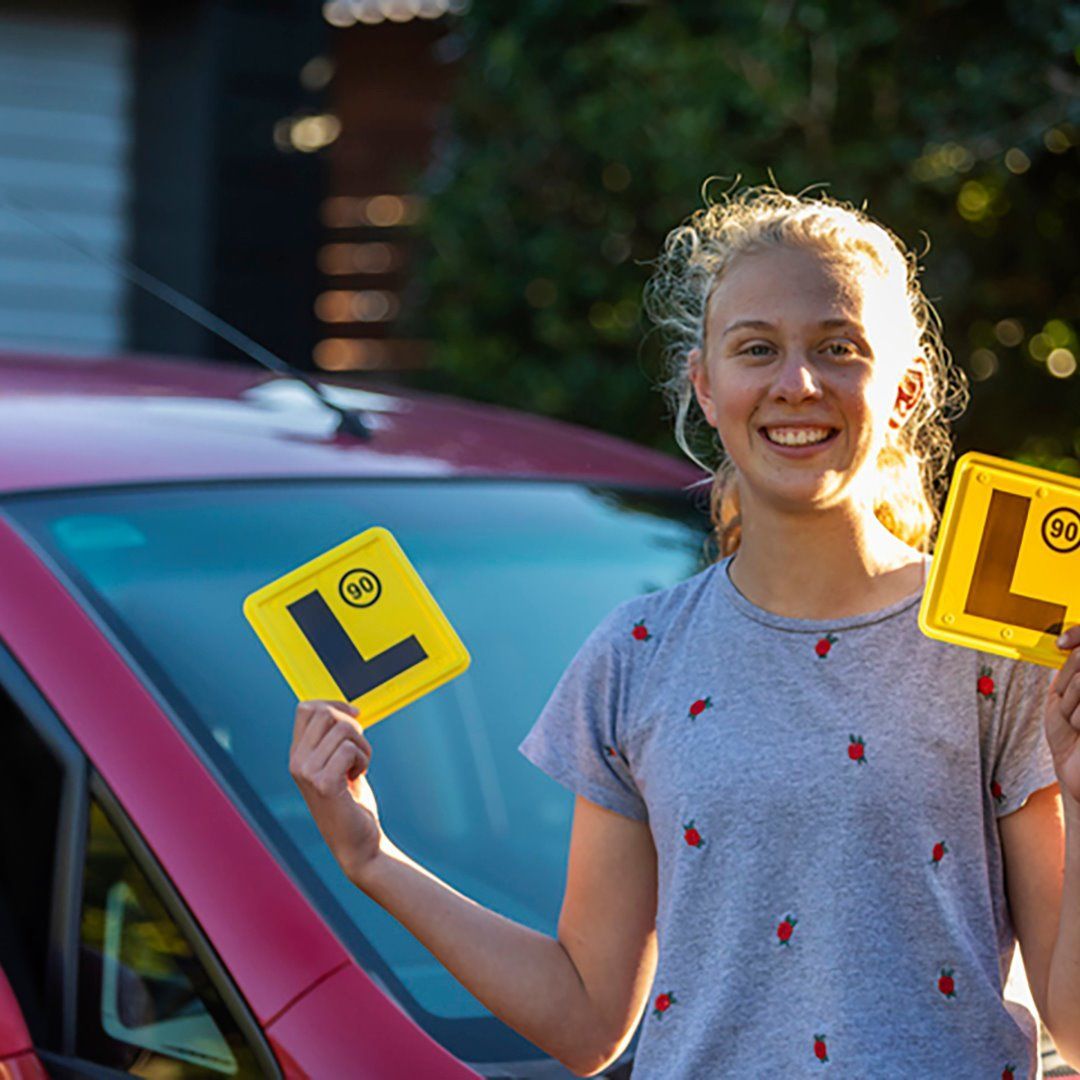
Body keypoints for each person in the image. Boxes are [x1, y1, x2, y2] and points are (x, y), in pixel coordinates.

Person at [287, 186, 1080, 1077]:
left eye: (838, 349)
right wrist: (373, 859)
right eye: (756, 350)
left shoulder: (1001, 648)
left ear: (905, 391)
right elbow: (589, 1022)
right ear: (706, 386)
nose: (796, 384)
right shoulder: (635, 657)